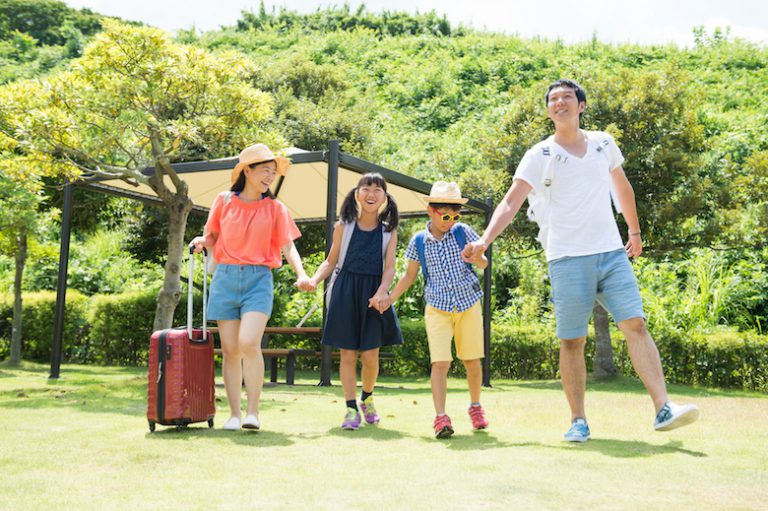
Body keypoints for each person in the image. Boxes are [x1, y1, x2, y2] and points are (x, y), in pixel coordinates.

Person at [462, 79, 699, 442]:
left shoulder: (603, 143)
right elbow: (511, 202)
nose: (560, 103)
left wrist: (633, 232)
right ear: (548, 110)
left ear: (581, 106)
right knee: (572, 341)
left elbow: (622, 188)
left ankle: (663, 407)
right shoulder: (538, 155)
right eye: (553, 99)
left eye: (567, 97)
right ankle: (578, 420)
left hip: (611, 253)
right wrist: (484, 239)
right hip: (567, 258)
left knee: (635, 325)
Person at [189, 143, 312, 431]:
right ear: (247, 170)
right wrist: (200, 241)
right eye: (265, 171)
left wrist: (302, 273)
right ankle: (234, 414)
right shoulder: (223, 201)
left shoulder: (275, 208)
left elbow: (287, 246)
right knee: (230, 350)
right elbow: (211, 236)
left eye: (273, 172)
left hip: (258, 279)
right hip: (226, 279)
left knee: (248, 342)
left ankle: (253, 412)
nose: (270, 177)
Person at [384, 181, 489, 439]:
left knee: (472, 361)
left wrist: (476, 257)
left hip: (468, 303)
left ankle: (475, 406)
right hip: (437, 307)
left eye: (455, 215)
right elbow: (409, 276)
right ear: (430, 211)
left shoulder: (463, 232)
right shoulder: (419, 241)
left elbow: (484, 263)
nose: (450, 221)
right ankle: (441, 417)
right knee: (439, 363)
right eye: (445, 215)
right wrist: (389, 299)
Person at [302, 173, 403, 430]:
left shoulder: (388, 232)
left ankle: (367, 398)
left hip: (373, 295)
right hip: (345, 291)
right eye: (366, 189)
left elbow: (390, 268)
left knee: (370, 355)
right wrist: (314, 279)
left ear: (385, 197)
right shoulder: (343, 227)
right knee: (347, 353)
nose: (371, 194)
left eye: (377, 190)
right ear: (357, 194)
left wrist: (383, 291)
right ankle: (350, 409)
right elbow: (331, 261)